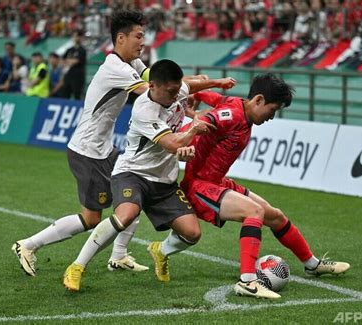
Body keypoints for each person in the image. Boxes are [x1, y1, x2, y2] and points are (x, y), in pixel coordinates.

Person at [167, 73, 349, 299]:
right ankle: (247, 281)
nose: (272, 117)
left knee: (275, 216)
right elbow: (210, 120)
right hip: (199, 186)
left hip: (217, 182)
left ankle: (312, 265)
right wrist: (193, 125)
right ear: (259, 100)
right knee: (254, 212)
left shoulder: (238, 105)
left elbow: (213, 97)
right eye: (272, 110)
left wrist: (196, 95)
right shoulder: (232, 115)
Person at [62, 59, 236, 292]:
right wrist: (194, 127)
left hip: (164, 180)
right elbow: (173, 143)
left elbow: (189, 85)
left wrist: (217, 82)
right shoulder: (145, 109)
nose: (176, 97)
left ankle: (160, 251)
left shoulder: (175, 90)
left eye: (177, 91)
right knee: (125, 216)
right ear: (152, 86)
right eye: (171, 91)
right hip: (132, 173)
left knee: (192, 233)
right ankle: (77, 266)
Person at [12, 10, 150, 277]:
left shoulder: (131, 64)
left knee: (134, 195)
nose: (143, 42)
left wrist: (185, 89)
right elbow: (155, 92)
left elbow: (157, 78)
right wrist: (198, 87)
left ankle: (119, 255)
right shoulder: (115, 68)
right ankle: (28, 245)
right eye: (139, 36)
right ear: (121, 38)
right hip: (88, 153)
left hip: (103, 150)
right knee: (91, 218)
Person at [61, 30, 87, 99]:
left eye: (77, 36)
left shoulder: (82, 50)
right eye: (74, 36)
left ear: (80, 37)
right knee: (65, 95)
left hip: (78, 77)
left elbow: (77, 61)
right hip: (68, 75)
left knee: (77, 95)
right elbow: (62, 60)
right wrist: (69, 61)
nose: (75, 38)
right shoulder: (69, 50)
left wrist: (69, 61)